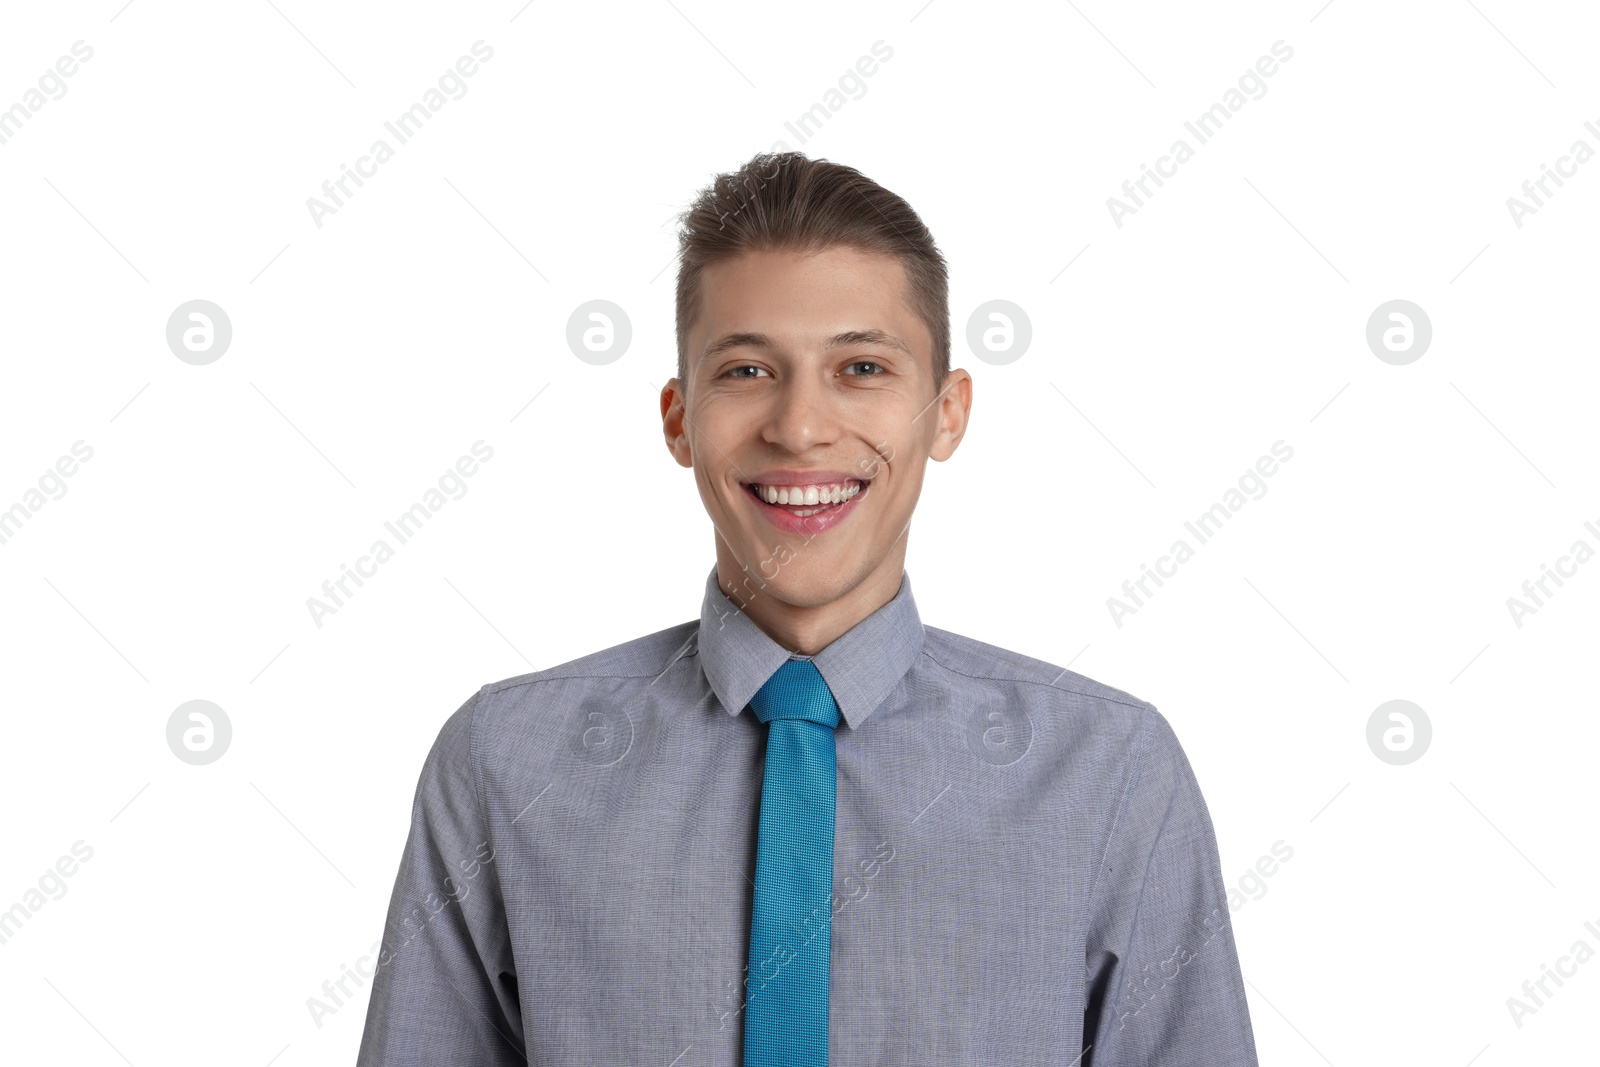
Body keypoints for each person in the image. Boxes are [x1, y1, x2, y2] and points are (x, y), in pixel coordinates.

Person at [355, 151, 1258, 1066]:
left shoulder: (1110, 776)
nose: (799, 426)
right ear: (678, 418)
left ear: (947, 413)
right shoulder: (504, 762)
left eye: (861, 366)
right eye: (747, 371)